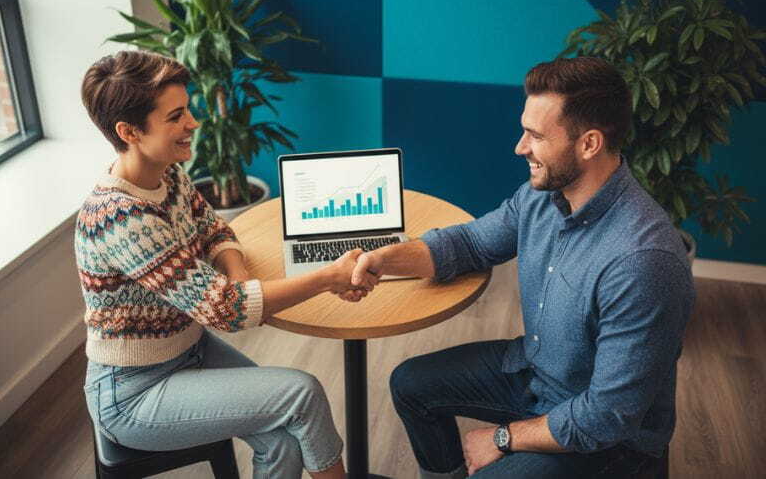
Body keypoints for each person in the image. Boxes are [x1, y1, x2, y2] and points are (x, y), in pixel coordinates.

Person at [347, 57, 695, 478]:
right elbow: (471, 244)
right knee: (410, 384)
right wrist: (385, 258)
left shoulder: (643, 262)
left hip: (608, 442)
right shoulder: (543, 195)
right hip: (538, 375)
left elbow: (606, 417)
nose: (520, 147)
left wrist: (502, 437)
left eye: (536, 136)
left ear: (589, 144)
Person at [76, 50, 369, 479]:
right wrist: (329, 276)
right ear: (129, 131)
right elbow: (227, 311)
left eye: (187, 109)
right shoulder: (121, 219)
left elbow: (214, 229)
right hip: (133, 393)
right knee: (301, 393)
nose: (193, 123)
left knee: (284, 437)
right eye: (176, 116)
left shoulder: (166, 174)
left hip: (189, 350)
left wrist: (240, 278)